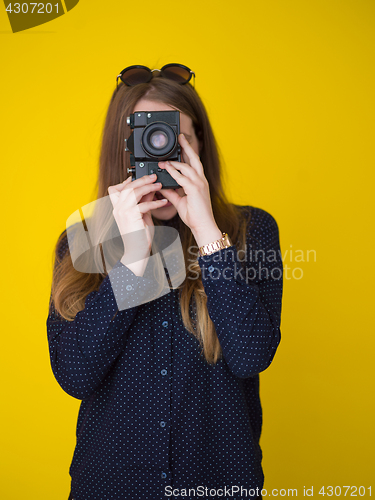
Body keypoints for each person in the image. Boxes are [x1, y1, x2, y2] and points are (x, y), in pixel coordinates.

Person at [47, 63, 283, 500]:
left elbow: (252, 355)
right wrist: (133, 259)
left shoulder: (252, 231)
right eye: (146, 138)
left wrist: (211, 236)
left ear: (199, 149)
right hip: (111, 485)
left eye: (176, 139)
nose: (160, 155)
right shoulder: (81, 240)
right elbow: (75, 375)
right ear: (123, 151)